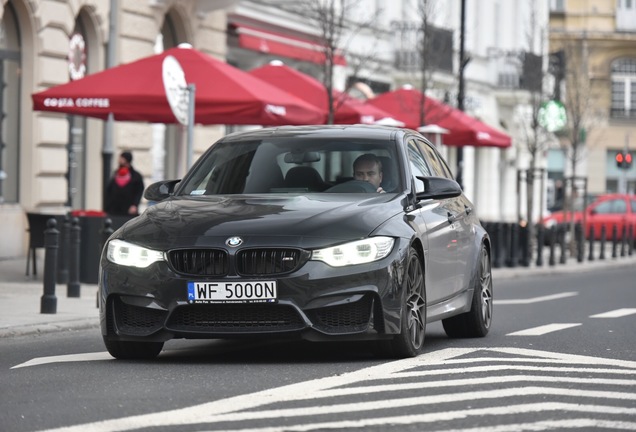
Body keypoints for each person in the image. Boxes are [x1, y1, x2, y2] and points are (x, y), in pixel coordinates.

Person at [104, 151, 144, 216]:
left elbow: (139, 192)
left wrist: (134, 205)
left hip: (128, 209)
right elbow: (109, 191)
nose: (119, 160)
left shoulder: (136, 176)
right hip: (114, 210)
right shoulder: (116, 173)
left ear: (126, 160)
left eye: (121, 158)